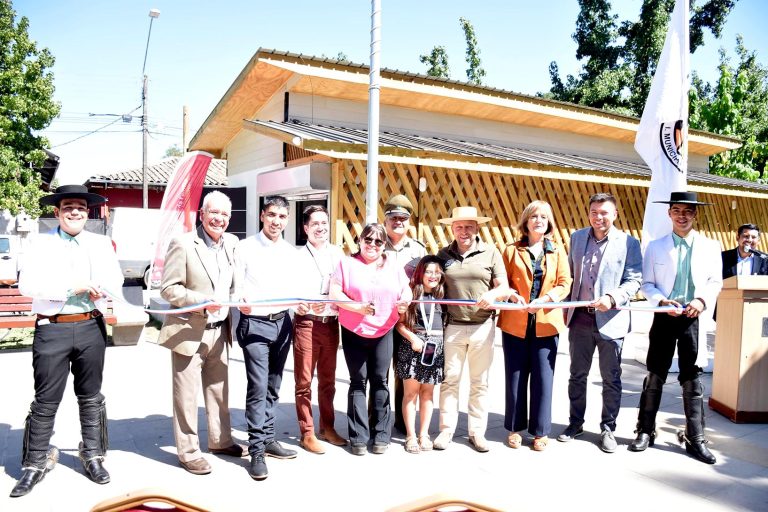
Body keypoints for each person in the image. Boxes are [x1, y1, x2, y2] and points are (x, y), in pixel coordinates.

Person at [12, 185, 124, 498]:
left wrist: (102, 287)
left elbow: (115, 280)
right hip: (53, 328)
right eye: (68, 207)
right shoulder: (40, 243)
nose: (75, 212)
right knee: (46, 399)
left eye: (80, 207)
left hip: (90, 326)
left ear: (87, 213)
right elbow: (27, 285)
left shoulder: (100, 243)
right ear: (57, 212)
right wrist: (71, 287)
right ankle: (35, 462)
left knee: (91, 396)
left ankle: (93, 454)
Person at [630, 191, 723, 465]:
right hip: (665, 315)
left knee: (692, 376)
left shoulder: (710, 246)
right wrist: (661, 300)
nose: (682, 216)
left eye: (688, 211)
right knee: (655, 373)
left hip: (693, 316)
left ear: (695, 214)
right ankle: (645, 430)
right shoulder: (655, 247)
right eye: (677, 211)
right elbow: (647, 284)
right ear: (669, 213)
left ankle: (695, 437)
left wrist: (701, 300)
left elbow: (715, 282)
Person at [157, 191, 244, 475]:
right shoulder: (183, 243)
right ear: (202, 214)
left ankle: (220, 441)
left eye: (224, 214)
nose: (219, 219)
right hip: (189, 330)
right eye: (214, 212)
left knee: (219, 390)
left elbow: (234, 283)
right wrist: (201, 301)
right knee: (186, 395)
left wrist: (241, 297)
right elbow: (168, 289)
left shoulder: (232, 243)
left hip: (220, 330)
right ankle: (189, 452)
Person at [557, 193, 642, 453]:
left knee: (611, 378)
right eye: (594, 212)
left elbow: (634, 280)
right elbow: (570, 275)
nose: (598, 217)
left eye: (604, 212)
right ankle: (575, 423)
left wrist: (612, 297)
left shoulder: (628, 243)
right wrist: (564, 305)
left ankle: (608, 428)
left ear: (615, 214)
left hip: (611, 319)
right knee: (577, 375)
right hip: (580, 319)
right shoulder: (577, 238)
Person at [234, 195, 303, 480]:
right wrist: (240, 298)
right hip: (255, 325)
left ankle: (269, 438)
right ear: (262, 215)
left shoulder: (290, 252)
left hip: (282, 323)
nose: (276, 221)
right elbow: (236, 284)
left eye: (282, 216)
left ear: (287, 220)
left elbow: (295, 289)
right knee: (258, 387)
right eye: (272, 215)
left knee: (274, 385)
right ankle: (256, 450)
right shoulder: (245, 247)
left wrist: (301, 303)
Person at [329, 223, 411, 455]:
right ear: (360, 240)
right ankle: (358, 438)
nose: (372, 245)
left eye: (378, 241)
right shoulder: (346, 263)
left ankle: (381, 435)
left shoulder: (393, 265)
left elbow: (406, 290)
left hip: (384, 329)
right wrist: (356, 307)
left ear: (384, 245)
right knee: (358, 381)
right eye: (368, 239)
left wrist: (405, 300)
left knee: (380, 381)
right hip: (353, 329)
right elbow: (334, 292)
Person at [498, 200, 572, 452]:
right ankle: (514, 428)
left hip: (546, 322)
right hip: (515, 322)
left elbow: (565, 283)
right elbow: (502, 281)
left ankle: (540, 431)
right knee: (515, 376)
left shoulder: (557, 251)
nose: (538, 220)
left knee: (543, 378)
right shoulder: (511, 250)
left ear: (549, 222)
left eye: (543, 217)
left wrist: (547, 299)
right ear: (526, 222)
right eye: (533, 216)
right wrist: (511, 296)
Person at [433, 206, 508, 452]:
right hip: (452, 327)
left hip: (482, 326)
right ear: (452, 229)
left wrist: (493, 294)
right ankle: (446, 430)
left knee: (479, 382)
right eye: (459, 227)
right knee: (450, 380)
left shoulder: (490, 252)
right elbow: (432, 283)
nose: (463, 231)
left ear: (477, 228)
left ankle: (477, 432)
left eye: (468, 227)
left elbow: (503, 286)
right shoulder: (443, 254)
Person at [293, 205, 348, 454]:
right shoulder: (297, 256)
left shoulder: (337, 254)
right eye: (315, 223)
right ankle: (307, 432)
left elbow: (344, 287)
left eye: (324, 223)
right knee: (304, 380)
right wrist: (301, 302)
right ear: (305, 228)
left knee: (328, 380)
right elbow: (290, 290)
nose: (320, 228)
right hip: (307, 323)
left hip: (331, 324)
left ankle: (328, 427)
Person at [383, 194, 427, 434]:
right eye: (394, 218)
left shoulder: (418, 249)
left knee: (404, 370)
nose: (398, 222)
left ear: (409, 221)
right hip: (380, 317)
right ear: (385, 220)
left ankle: (402, 421)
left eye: (403, 218)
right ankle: (378, 421)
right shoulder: (376, 243)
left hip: (407, 319)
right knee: (379, 373)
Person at [396, 255, 446, 454]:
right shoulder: (411, 294)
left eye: (437, 272)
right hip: (414, 346)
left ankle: (424, 434)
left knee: (428, 393)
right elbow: (399, 323)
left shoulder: (443, 295)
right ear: (420, 273)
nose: (433, 276)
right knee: (410, 393)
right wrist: (412, 338)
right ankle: (410, 435)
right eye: (429, 272)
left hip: (435, 347)